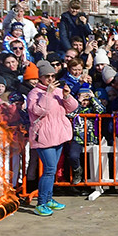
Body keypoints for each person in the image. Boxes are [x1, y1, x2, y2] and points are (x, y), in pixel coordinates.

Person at [25, 61, 78, 216]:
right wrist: (48, 93)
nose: (50, 79)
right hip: (43, 136)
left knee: (52, 169)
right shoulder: (34, 94)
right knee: (49, 170)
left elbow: (73, 107)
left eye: (52, 76)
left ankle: (48, 199)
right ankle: (41, 203)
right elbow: (41, 111)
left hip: (58, 134)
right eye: (46, 76)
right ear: (40, 77)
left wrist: (67, 95)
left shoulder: (58, 91)